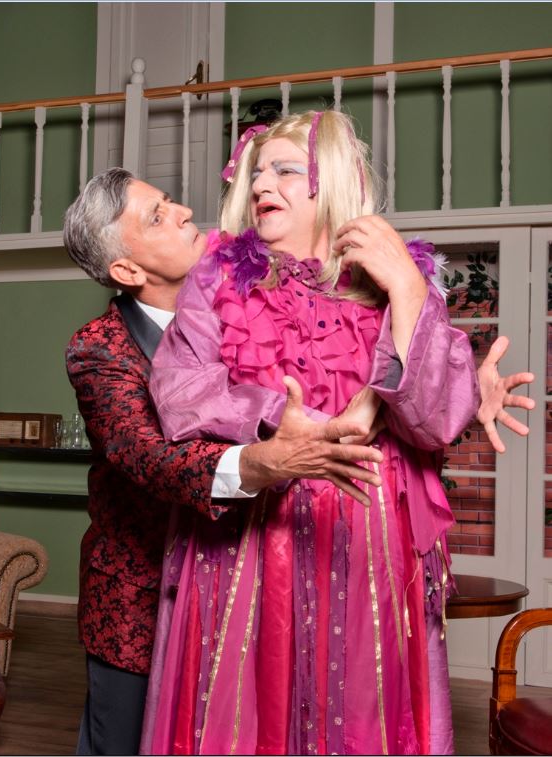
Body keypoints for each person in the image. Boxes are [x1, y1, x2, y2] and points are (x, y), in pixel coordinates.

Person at [141, 111, 535, 756]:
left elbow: (433, 421)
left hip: (367, 531)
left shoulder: (400, 282)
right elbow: (181, 394)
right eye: (255, 172)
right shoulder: (216, 279)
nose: (261, 183)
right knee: (247, 710)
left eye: (284, 170)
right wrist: (277, 415)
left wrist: (406, 288)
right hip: (253, 538)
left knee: (359, 710)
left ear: (334, 180)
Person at [63, 168, 387, 756]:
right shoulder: (99, 348)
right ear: (127, 271)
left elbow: (346, 377)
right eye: (157, 216)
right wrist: (266, 462)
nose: (185, 211)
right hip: (142, 604)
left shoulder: (249, 300)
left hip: (248, 590)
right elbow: (151, 457)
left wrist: (443, 391)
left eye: (170, 201)